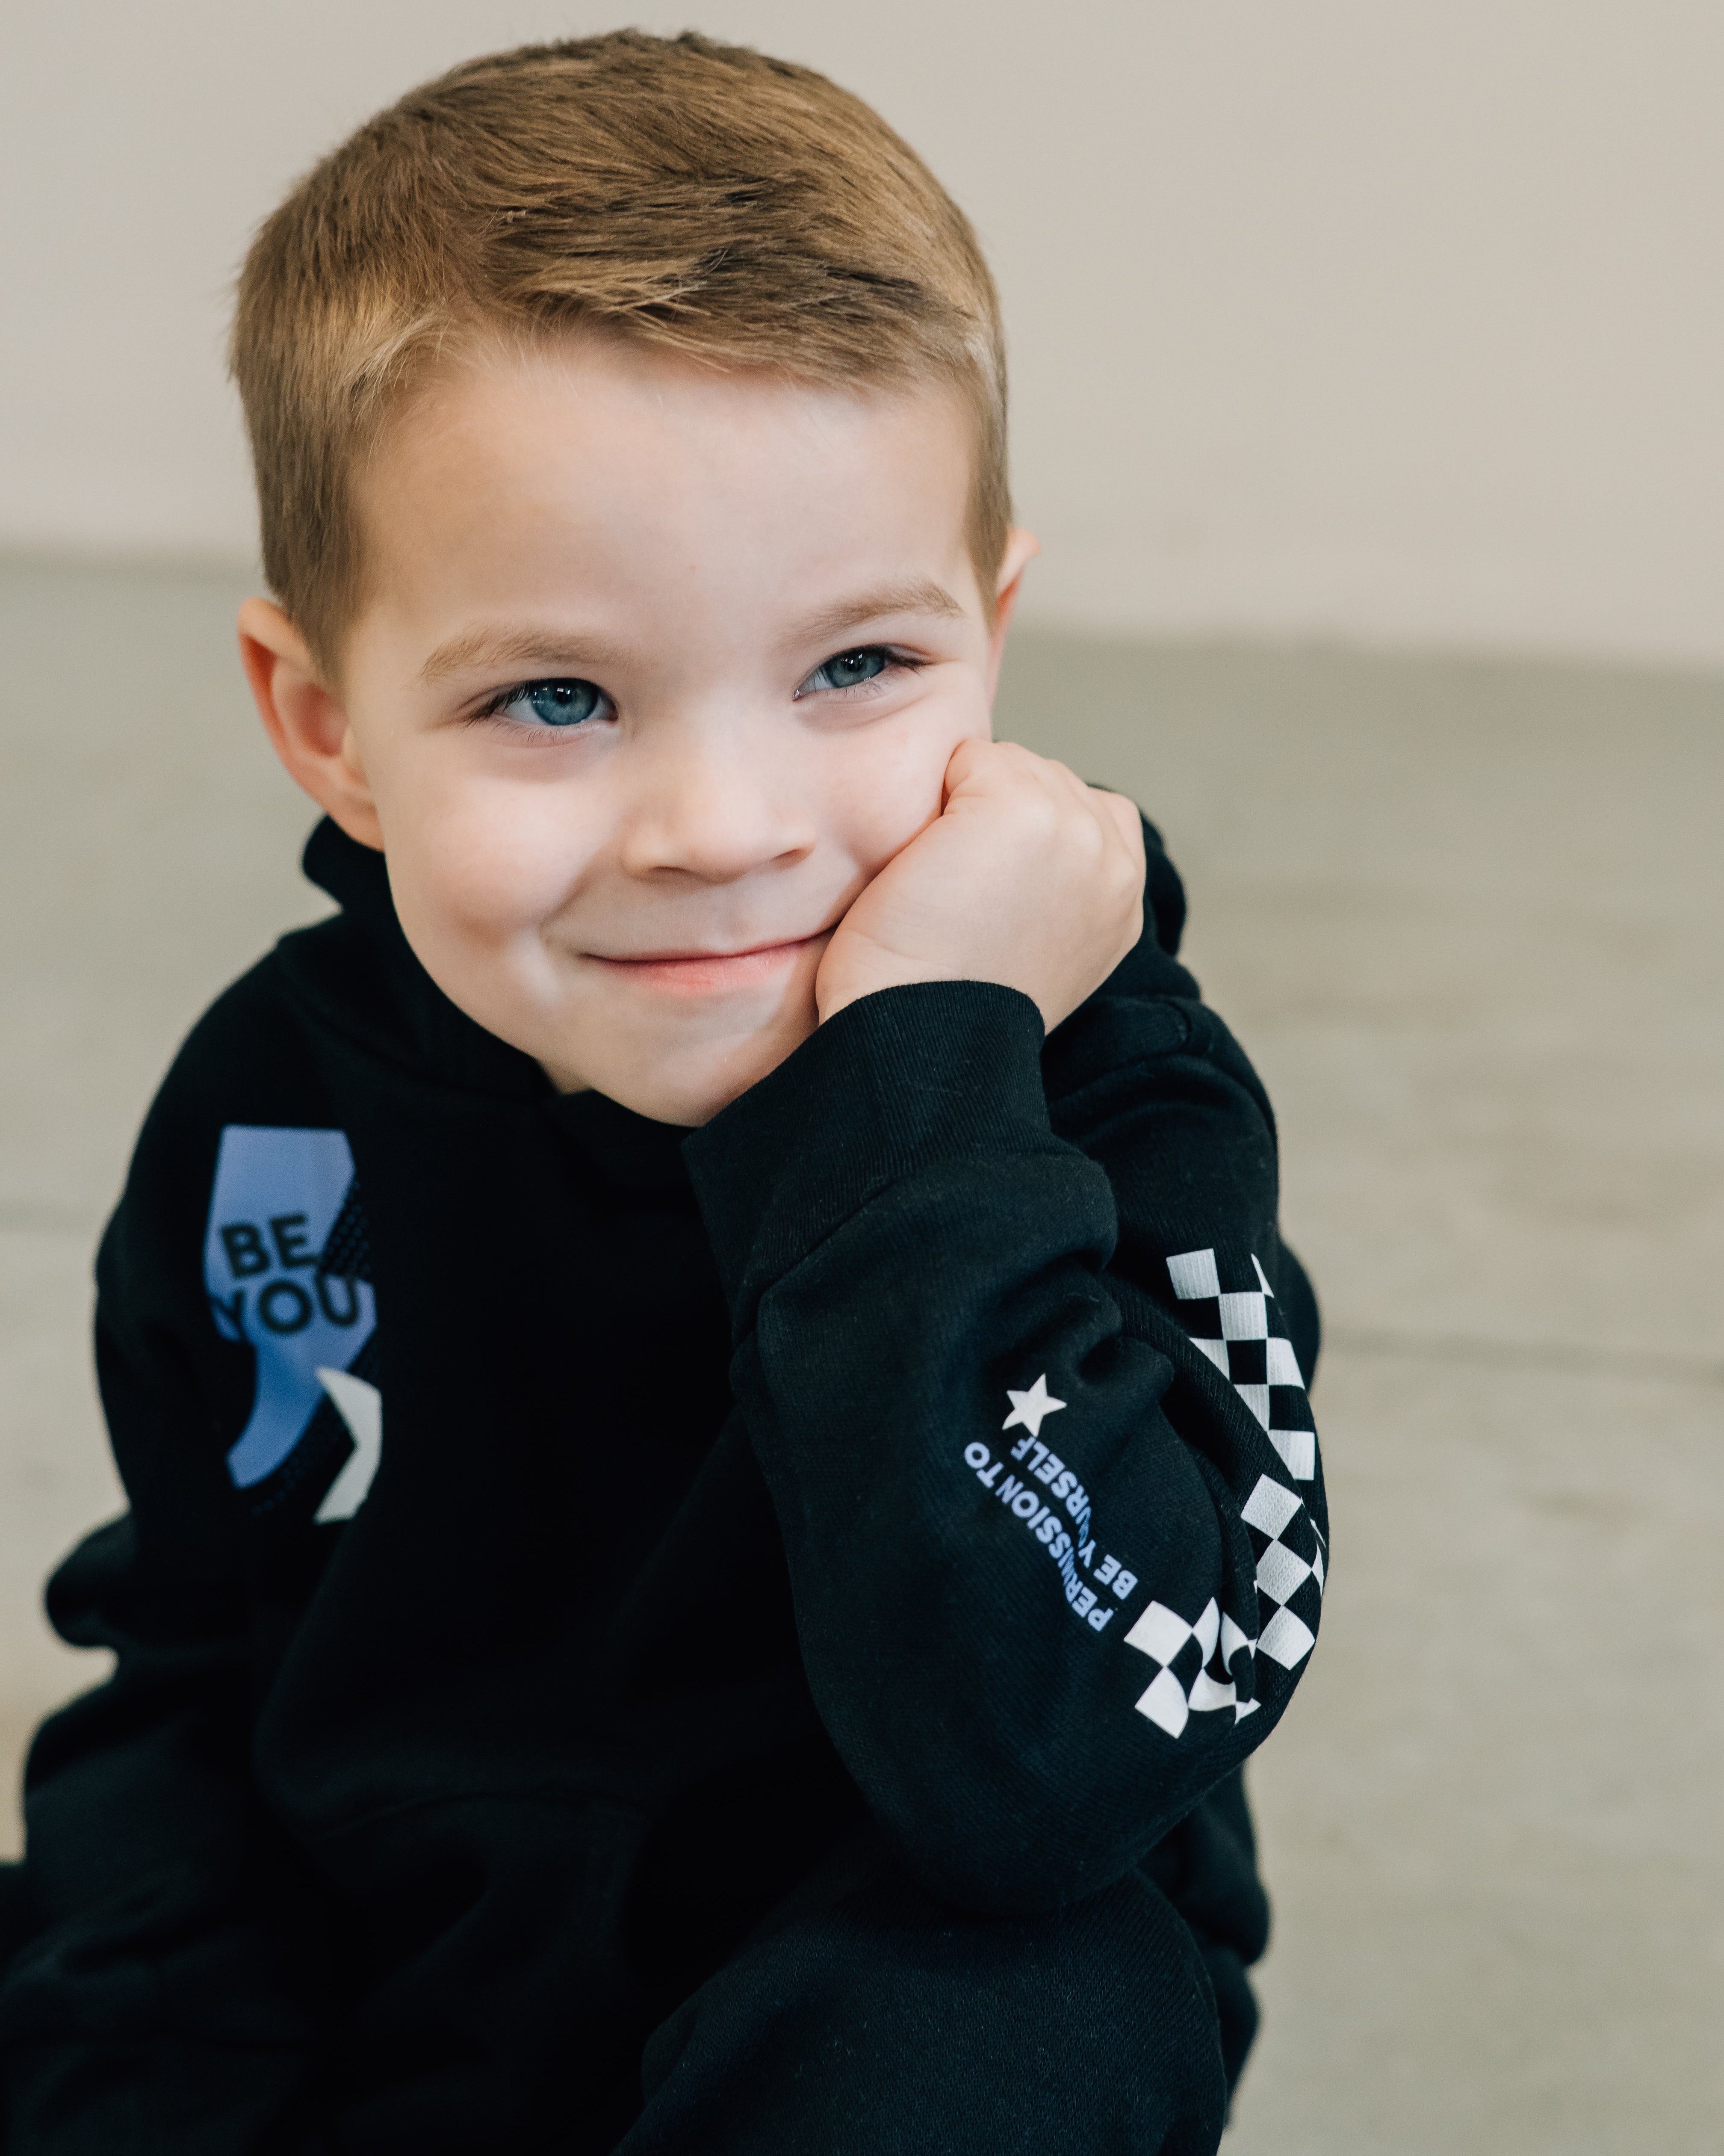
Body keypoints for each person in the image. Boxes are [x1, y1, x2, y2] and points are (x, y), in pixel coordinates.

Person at [0, 31, 1327, 2154]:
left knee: (987, 2029)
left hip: (900, 1994)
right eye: (555, 694)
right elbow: (201, 1667)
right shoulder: (283, 1112)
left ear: (991, 633)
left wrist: (919, 1100)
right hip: (409, 1983)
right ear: (326, 723)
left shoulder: (1105, 1101)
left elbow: (1063, 1764)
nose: (724, 824)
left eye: (856, 669)